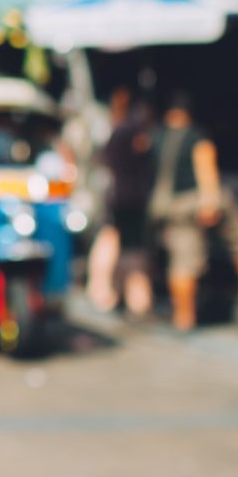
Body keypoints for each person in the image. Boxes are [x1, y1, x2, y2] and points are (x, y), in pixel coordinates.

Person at [148, 91, 238, 331]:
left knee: (182, 259)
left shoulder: (156, 137)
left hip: (169, 207)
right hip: (195, 201)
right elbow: (206, 168)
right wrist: (210, 201)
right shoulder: (196, 137)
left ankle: (183, 316)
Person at [86, 87, 155, 318]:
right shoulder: (130, 131)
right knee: (127, 246)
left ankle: (115, 293)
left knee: (118, 243)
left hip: (116, 196)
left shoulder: (113, 131)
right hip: (129, 198)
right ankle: (130, 297)